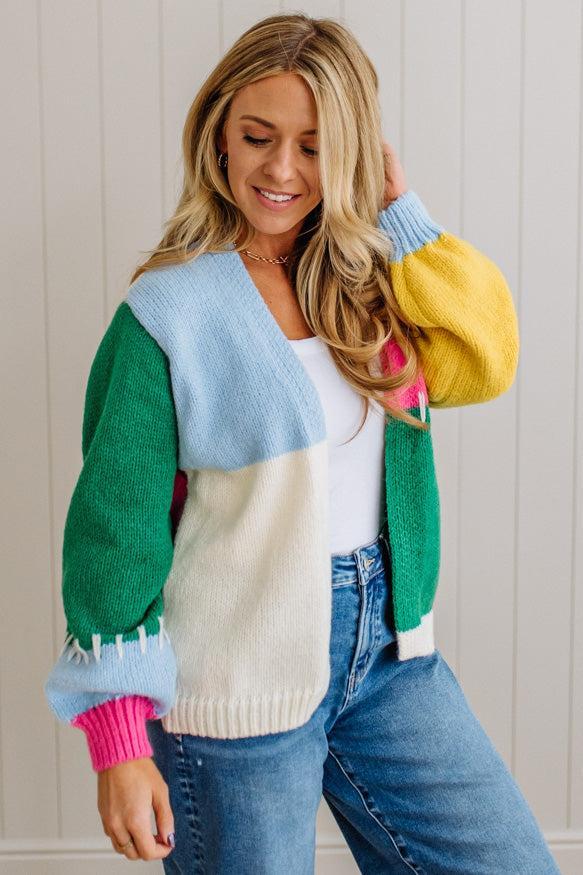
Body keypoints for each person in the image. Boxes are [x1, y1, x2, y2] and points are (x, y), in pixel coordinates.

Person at [43, 12, 561, 874]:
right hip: (232, 675)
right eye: (258, 137)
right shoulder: (166, 314)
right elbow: (114, 533)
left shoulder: (369, 289)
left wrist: (398, 213)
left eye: (315, 146)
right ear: (218, 135)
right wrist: (118, 740)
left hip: (388, 657)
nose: (281, 169)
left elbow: (485, 357)